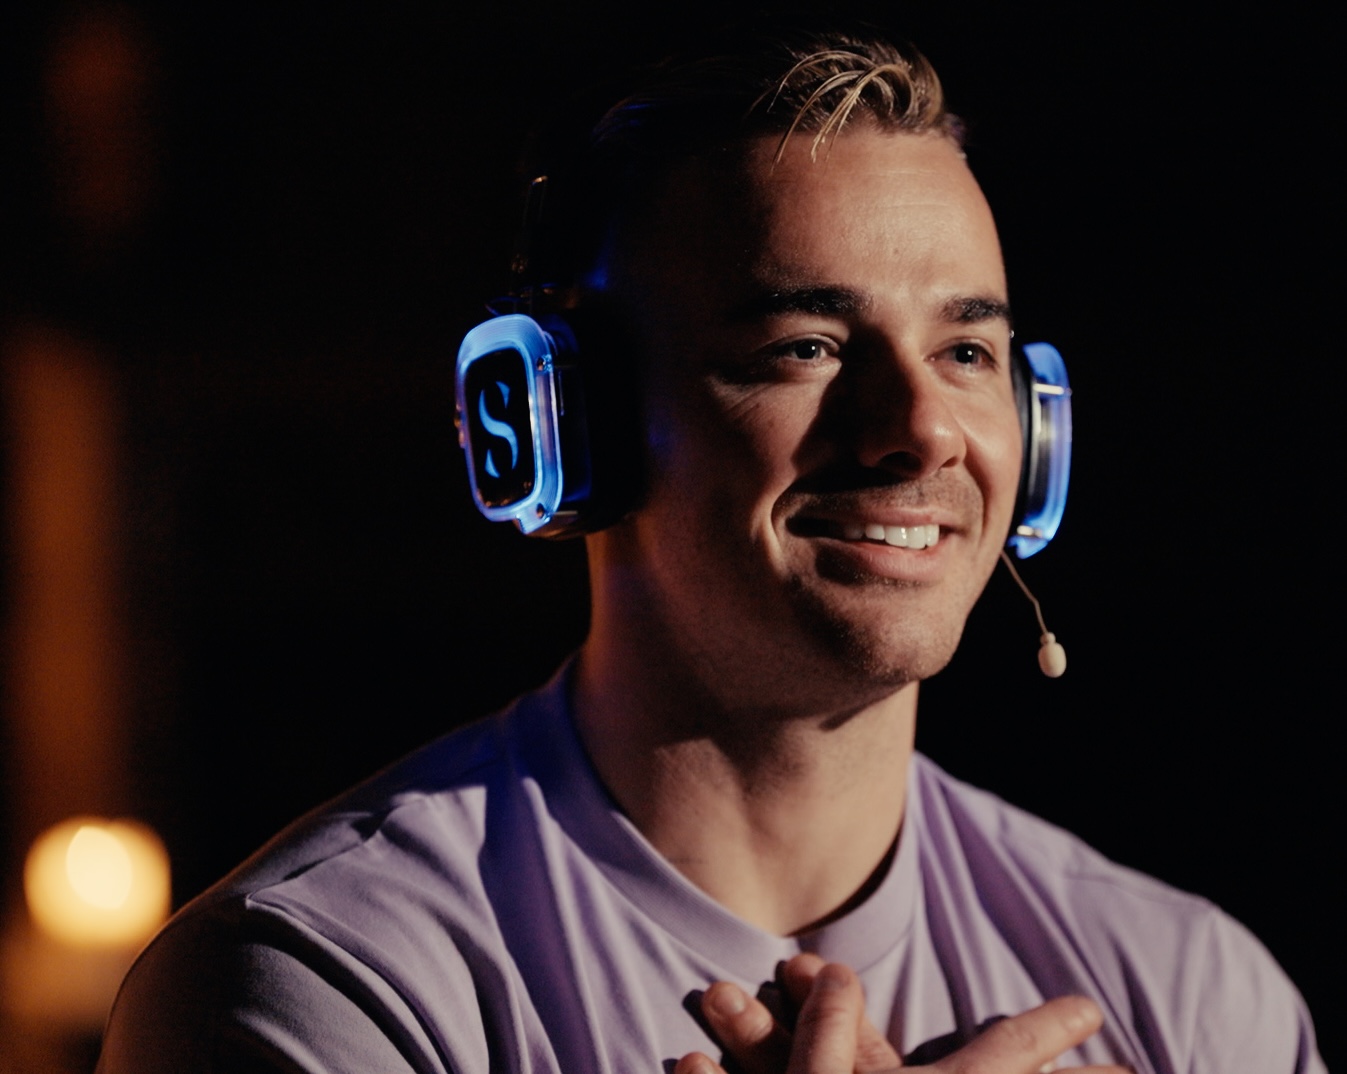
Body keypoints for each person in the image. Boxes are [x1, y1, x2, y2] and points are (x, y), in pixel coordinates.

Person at [97, 23, 1324, 1074]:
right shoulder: (315, 981)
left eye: (966, 352)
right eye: (805, 346)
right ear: (559, 424)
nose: (918, 433)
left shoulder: (1196, 993)